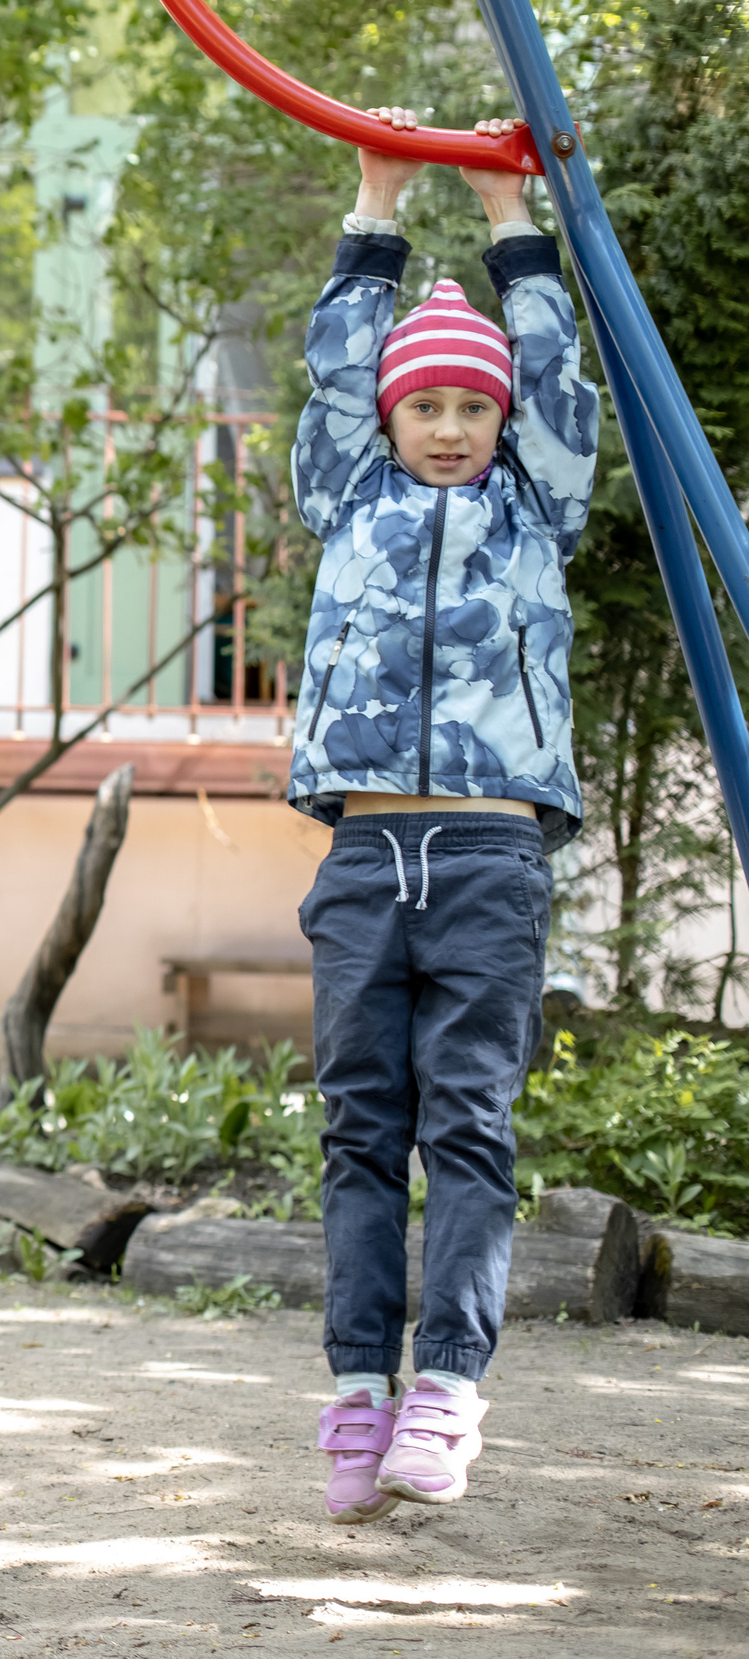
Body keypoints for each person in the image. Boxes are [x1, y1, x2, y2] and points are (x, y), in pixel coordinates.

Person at [295, 110, 598, 1523]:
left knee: (465, 1121)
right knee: (360, 1128)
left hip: (486, 849)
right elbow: (335, 367)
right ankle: (360, 1380)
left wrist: (507, 222)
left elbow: (556, 383)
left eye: (473, 409)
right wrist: (375, 205)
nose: (451, 429)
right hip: (366, 851)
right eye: (426, 407)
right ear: (390, 419)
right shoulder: (345, 494)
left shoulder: (535, 506)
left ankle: (450, 1388)